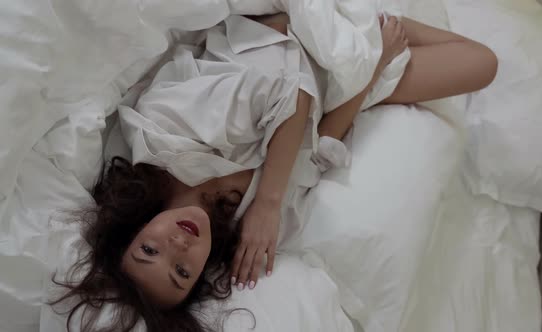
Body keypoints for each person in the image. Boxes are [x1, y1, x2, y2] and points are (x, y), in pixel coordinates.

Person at [51, 13, 497, 332]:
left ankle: (370, 20)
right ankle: (381, 32)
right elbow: (319, 147)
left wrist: (267, 203)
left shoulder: (164, 136)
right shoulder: (244, 229)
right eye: (182, 272)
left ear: (134, 230)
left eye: (149, 249)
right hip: (337, 83)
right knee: (481, 63)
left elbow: (286, 86)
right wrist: (375, 66)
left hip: (288, 39)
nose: (178, 246)